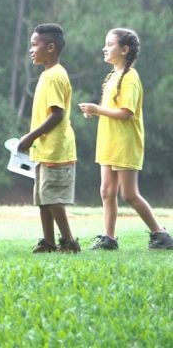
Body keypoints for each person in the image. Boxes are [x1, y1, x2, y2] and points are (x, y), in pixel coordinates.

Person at [78, 28, 173, 250]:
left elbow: (127, 112)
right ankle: (108, 239)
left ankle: (160, 235)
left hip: (125, 143)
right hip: (109, 141)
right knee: (106, 191)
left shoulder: (130, 77)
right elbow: (112, 109)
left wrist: (97, 109)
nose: (104, 48)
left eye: (109, 44)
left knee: (129, 194)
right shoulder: (112, 76)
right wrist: (95, 111)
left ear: (124, 49)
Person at [17, 23, 80, 253]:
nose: (31, 49)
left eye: (35, 45)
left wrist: (30, 137)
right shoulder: (47, 74)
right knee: (43, 199)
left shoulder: (55, 76)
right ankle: (48, 242)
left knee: (52, 198)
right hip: (44, 150)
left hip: (56, 150)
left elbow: (57, 114)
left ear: (51, 47)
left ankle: (69, 241)